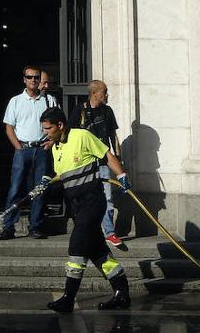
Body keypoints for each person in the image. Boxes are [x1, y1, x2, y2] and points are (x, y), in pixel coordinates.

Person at [40, 106, 132, 313]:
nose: (45, 132)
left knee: (77, 245)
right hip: (76, 206)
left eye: (48, 128)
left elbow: (106, 154)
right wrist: (48, 182)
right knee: (98, 251)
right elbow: (63, 175)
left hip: (92, 201)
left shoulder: (81, 136)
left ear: (60, 125)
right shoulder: (55, 148)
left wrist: (121, 175)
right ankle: (122, 293)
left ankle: (68, 298)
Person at [0, 64, 55, 240]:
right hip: (22, 148)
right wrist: (17, 146)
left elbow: (58, 125)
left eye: (36, 77)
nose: (33, 80)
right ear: (24, 80)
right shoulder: (15, 101)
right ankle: (8, 226)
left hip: (42, 148)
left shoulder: (49, 100)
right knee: (15, 188)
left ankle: (35, 226)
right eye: (29, 77)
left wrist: (51, 142)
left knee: (39, 189)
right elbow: (9, 127)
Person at [79, 79, 124, 247]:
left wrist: (118, 157)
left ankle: (110, 232)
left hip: (104, 160)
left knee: (108, 197)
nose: (107, 94)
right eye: (104, 91)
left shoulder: (107, 111)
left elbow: (113, 135)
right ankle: (89, 230)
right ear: (94, 93)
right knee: (86, 198)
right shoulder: (81, 110)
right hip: (85, 161)